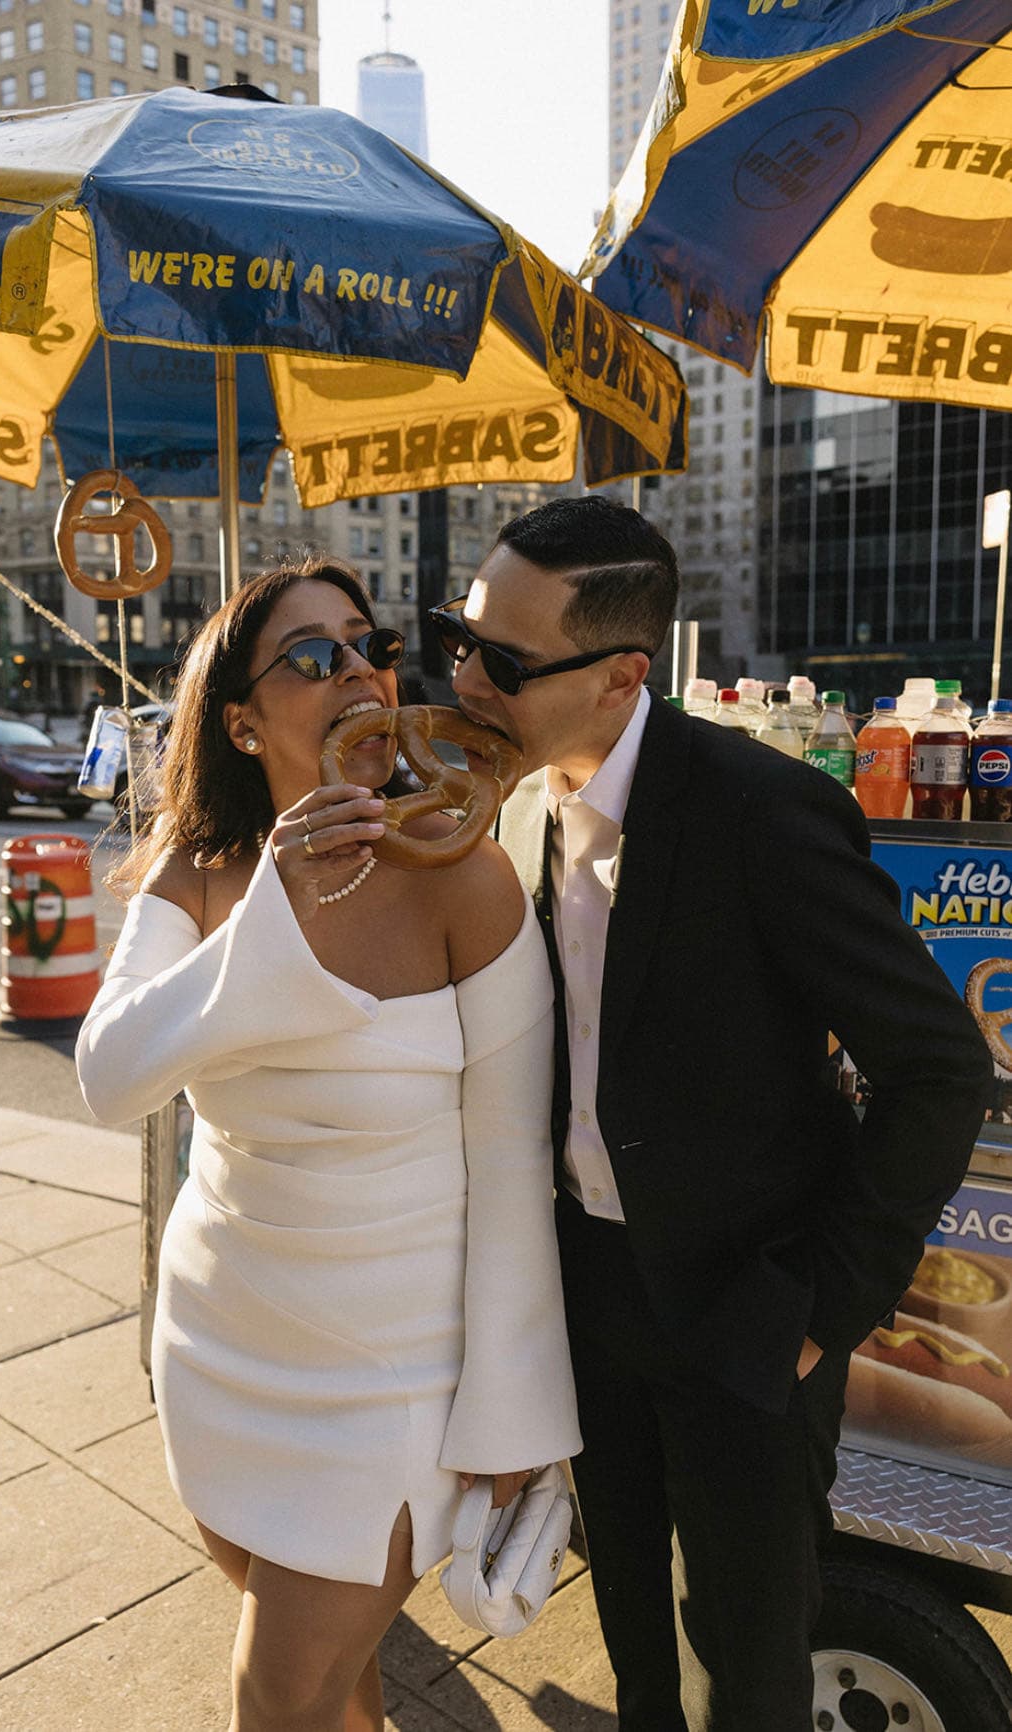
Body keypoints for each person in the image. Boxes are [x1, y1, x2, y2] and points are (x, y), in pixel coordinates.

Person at [431, 496, 991, 1732]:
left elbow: (941, 1068)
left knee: (749, 1663)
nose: (465, 680)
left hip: (747, 1309)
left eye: (504, 663)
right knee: (627, 1627)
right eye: (458, 641)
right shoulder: (517, 802)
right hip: (591, 1295)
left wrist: (819, 1310)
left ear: (623, 675)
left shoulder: (760, 812)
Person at [76, 555, 580, 1732]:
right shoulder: (197, 876)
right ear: (243, 722)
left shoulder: (468, 875)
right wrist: (274, 913)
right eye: (313, 656)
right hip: (220, 1342)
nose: (359, 670)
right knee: (334, 1676)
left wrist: (516, 1415)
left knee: (277, 1699)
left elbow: (512, 1170)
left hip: (390, 1374)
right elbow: (109, 1077)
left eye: (370, 646)